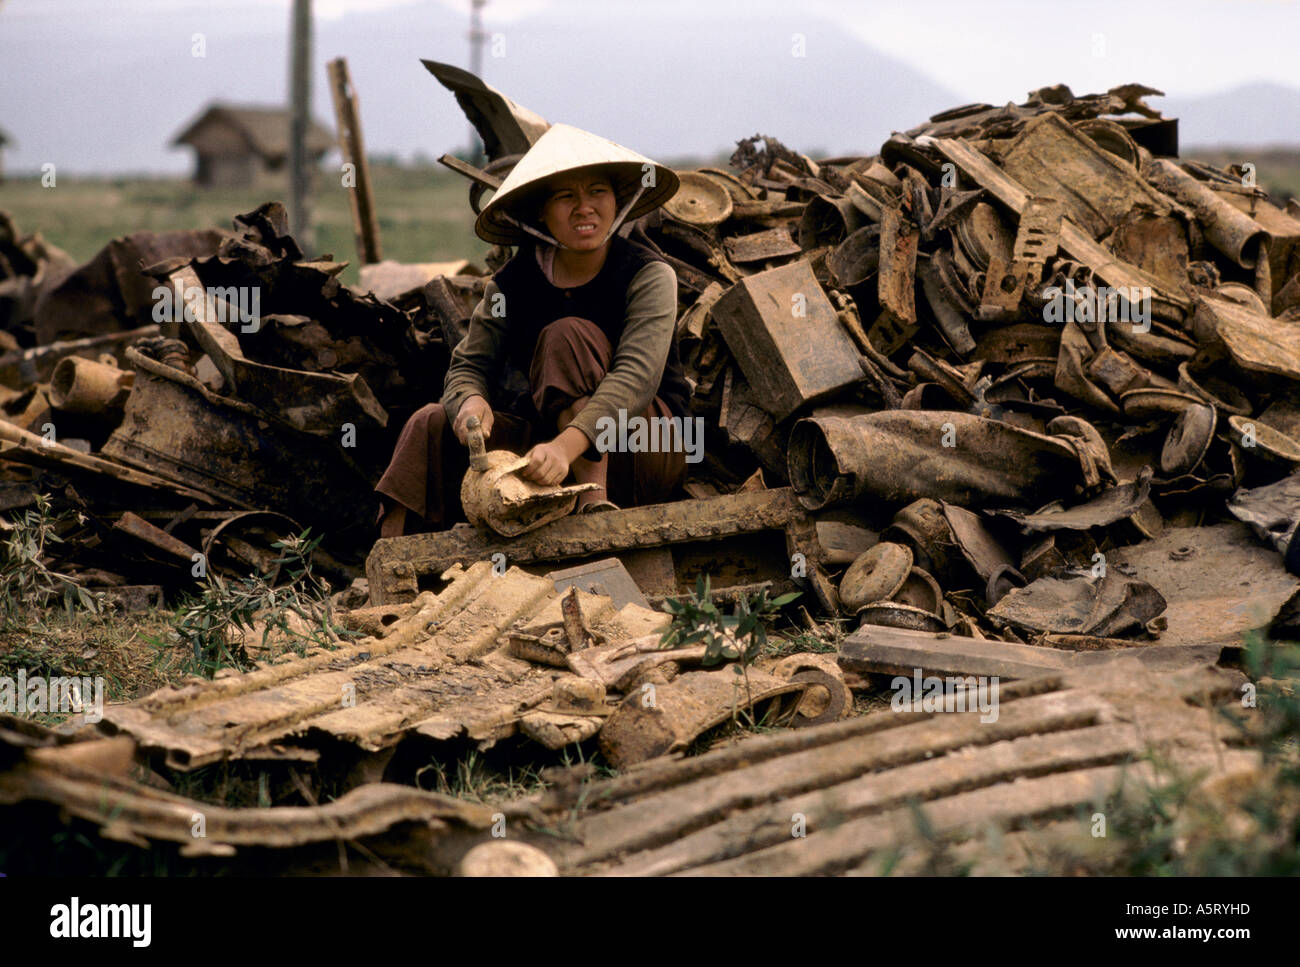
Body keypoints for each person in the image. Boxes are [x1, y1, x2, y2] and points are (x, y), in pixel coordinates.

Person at [374, 123, 693, 537]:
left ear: (617, 200)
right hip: (550, 452)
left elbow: (637, 377)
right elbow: (469, 365)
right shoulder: (513, 283)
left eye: (597, 191)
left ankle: (593, 509)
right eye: (566, 197)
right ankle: (394, 558)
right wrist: (469, 404)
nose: (584, 208)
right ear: (541, 212)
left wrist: (567, 446)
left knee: (568, 335)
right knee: (429, 421)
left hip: (645, 450)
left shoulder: (649, 275)